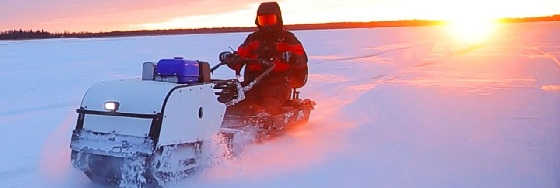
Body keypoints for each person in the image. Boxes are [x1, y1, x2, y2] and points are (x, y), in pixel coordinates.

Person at [225, 1, 308, 115]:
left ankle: (262, 125)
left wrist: (291, 57)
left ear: (277, 19)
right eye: (263, 21)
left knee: (268, 104)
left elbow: (301, 58)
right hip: (253, 82)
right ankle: (219, 124)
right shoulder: (253, 38)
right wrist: (232, 58)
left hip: (278, 82)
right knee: (233, 100)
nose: (267, 25)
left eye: (270, 20)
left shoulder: (287, 38)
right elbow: (241, 55)